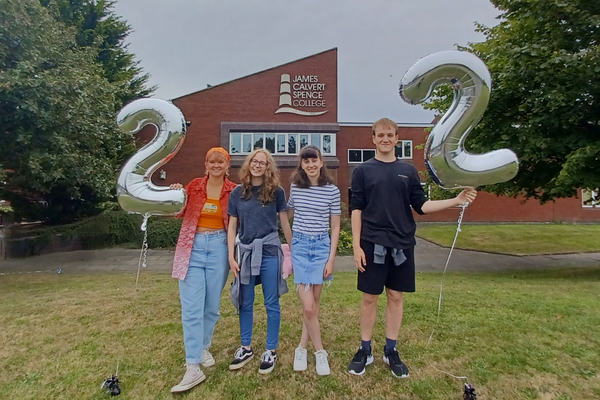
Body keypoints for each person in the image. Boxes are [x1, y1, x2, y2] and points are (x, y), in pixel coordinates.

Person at [347, 118, 477, 378]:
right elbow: (356, 209)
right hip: (372, 244)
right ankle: (365, 349)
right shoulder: (363, 171)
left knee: (396, 296)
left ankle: (391, 350)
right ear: (373, 138)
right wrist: (356, 246)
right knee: (369, 298)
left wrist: (457, 200)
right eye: (380, 135)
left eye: (390, 135)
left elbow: (422, 206)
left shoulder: (408, 171)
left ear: (397, 139)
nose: (385, 139)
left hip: (402, 245)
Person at [169, 147, 237, 393]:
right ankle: (192, 366)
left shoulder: (234, 191)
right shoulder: (194, 186)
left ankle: (203, 345)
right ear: (206, 163)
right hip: (192, 247)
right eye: (211, 161)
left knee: (211, 306)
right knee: (191, 308)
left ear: (227, 165)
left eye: (221, 161)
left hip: (219, 248)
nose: (216, 164)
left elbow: (239, 220)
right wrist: (175, 195)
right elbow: (177, 212)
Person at [227, 149, 293, 374]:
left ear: (268, 167)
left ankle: (270, 350)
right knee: (245, 301)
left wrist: (292, 251)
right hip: (245, 253)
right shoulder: (237, 193)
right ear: (249, 164)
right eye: (254, 161)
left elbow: (284, 223)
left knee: (271, 303)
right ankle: (245, 347)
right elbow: (232, 227)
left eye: (262, 163)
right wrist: (231, 256)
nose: (257, 165)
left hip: (269, 252)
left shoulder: (277, 192)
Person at [287, 145, 341, 376]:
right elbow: (285, 213)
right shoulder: (295, 188)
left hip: (321, 248)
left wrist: (331, 259)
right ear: (301, 164)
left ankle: (301, 347)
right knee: (308, 306)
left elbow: (336, 225)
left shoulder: (332, 191)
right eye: (305, 161)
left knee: (313, 307)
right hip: (300, 247)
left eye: (314, 160)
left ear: (321, 162)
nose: (310, 164)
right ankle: (320, 352)